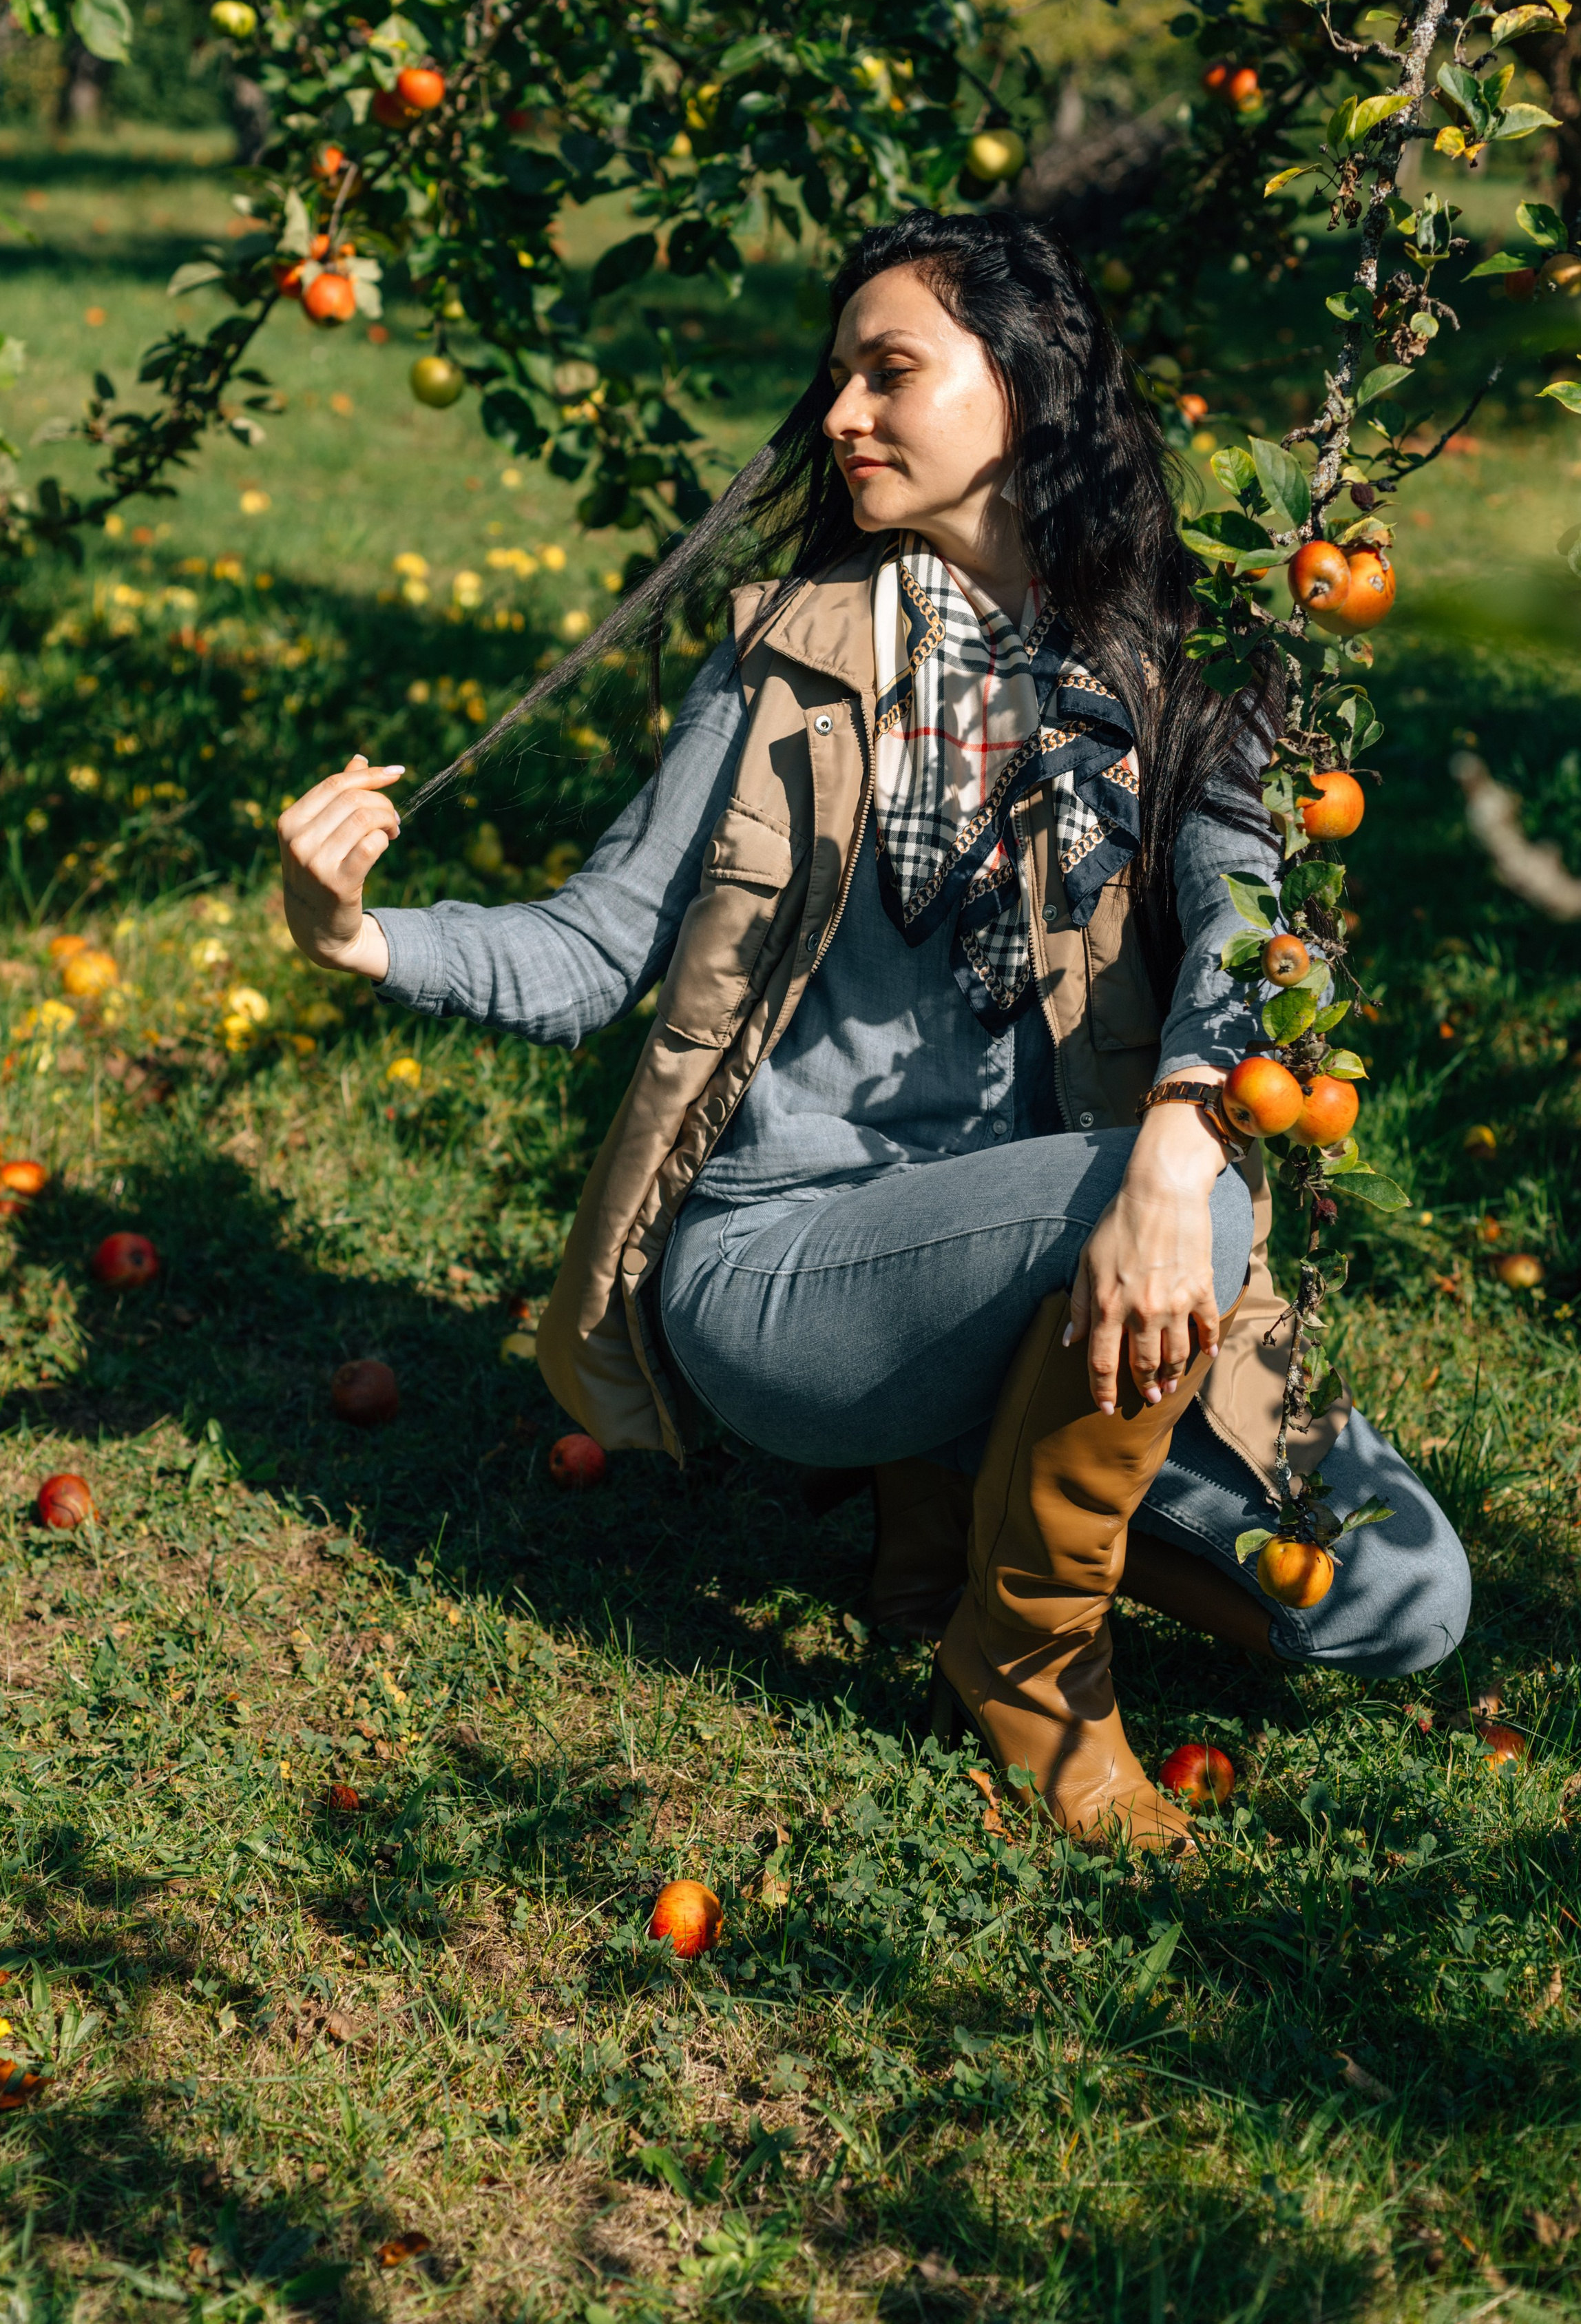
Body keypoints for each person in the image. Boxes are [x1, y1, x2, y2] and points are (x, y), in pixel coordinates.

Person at [279, 209, 1470, 1852]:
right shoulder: (784, 659)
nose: (838, 413)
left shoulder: (1183, 661)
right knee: (1181, 1195)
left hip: (1070, 1247)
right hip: (784, 1271)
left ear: (1026, 388)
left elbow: (1255, 945)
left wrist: (1174, 1149)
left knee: (1398, 1602)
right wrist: (356, 938)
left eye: (887, 370)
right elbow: (591, 945)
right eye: (833, 376)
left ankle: (954, 1519)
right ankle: (1028, 1653)